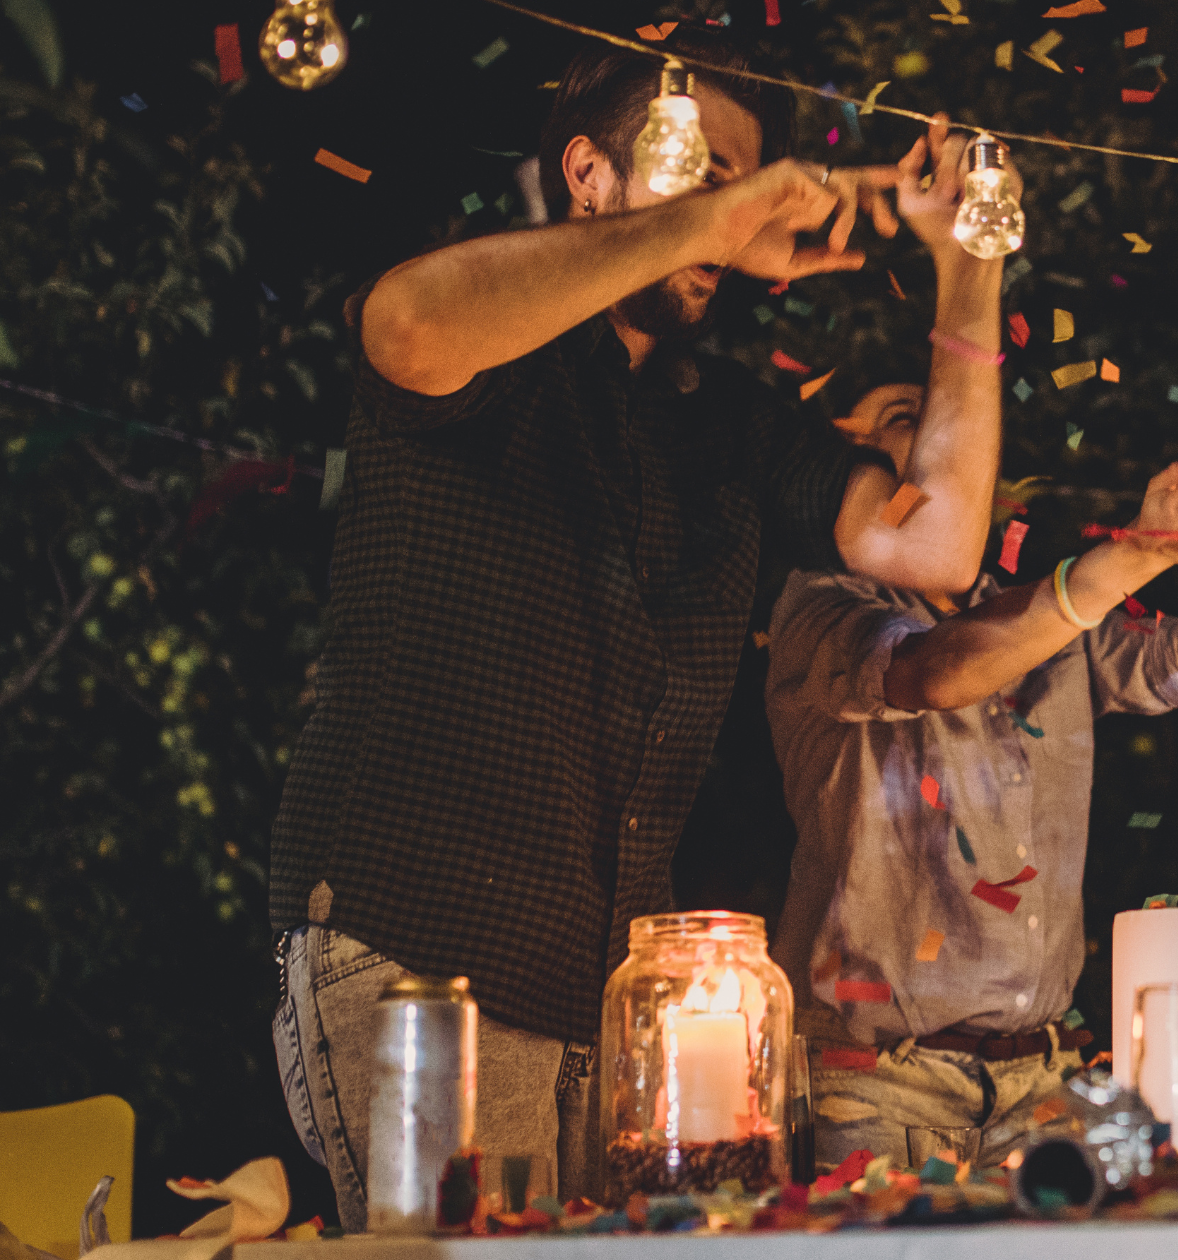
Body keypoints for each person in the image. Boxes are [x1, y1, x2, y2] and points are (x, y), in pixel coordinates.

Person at [267, 28, 1005, 1223]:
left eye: (744, 180)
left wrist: (965, 264)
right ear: (588, 176)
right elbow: (404, 327)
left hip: (605, 986)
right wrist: (712, 219)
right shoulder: (496, 326)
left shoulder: (733, 425)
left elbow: (936, 546)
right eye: (694, 166)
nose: (731, 211)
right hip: (416, 950)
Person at [766, 354, 1178, 1171]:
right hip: (876, 1090)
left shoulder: (1038, 615)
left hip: (1041, 1084)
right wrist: (1136, 555)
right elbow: (937, 672)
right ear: (846, 465)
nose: (952, 431)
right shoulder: (816, 608)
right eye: (910, 416)